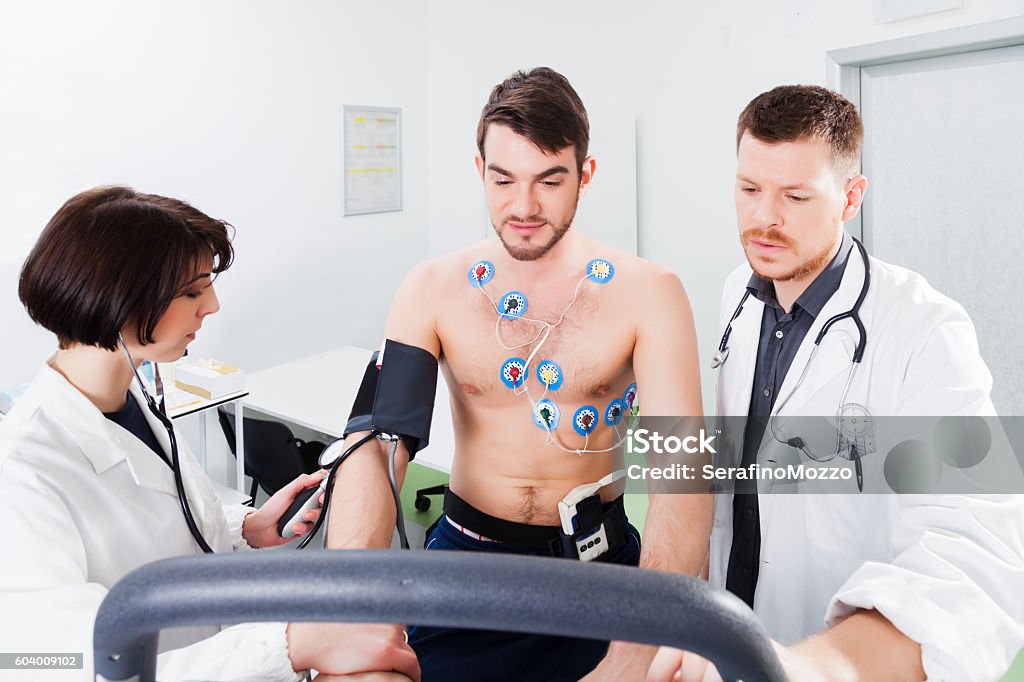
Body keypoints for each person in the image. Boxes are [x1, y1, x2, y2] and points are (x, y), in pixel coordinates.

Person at [326, 67, 711, 681]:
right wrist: (350, 614)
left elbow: (683, 476)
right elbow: (376, 442)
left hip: (600, 573)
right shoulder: (431, 289)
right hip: (467, 569)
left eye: (549, 181)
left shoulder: (651, 293)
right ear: (478, 170)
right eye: (503, 180)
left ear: (585, 175)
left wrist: (635, 654)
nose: (524, 207)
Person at [648, 85, 1024, 681]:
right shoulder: (735, 297)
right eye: (748, 190)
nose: (762, 219)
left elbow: (975, 555)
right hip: (723, 646)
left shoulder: (924, 330)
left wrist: (811, 667)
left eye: (795, 196)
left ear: (851, 197)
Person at [0, 186, 420, 681]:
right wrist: (289, 644)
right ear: (120, 303)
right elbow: (48, 663)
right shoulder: (22, 472)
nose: (214, 305)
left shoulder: (130, 396)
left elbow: (149, 526)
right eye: (194, 291)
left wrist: (243, 530)